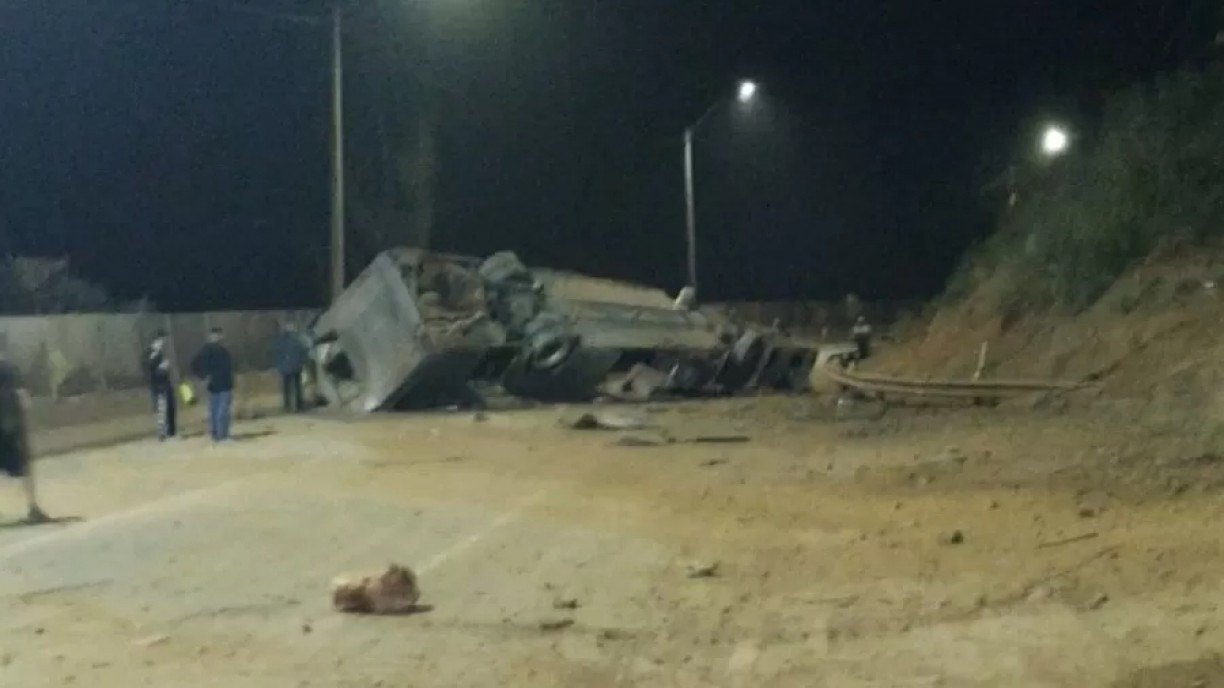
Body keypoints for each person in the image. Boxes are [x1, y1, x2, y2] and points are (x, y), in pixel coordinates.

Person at [0, 355, 49, 523]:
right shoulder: (10, 368)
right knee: (25, 465)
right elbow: (24, 399)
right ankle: (33, 507)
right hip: (11, 425)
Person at [191, 328, 235, 442]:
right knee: (222, 411)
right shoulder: (220, 351)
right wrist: (203, 376)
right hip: (222, 384)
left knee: (215, 411)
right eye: (217, 335)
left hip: (215, 385)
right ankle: (222, 436)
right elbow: (196, 365)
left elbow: (195, 365)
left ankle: (216, 435)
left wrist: (202, 377)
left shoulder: (207, 350)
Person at [144, 331, 177, 440]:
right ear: (156, 340)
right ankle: (162, 434)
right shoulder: (151, 353)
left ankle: (171, 432)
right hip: (158, 386)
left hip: (164, 384)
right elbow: (149, 371)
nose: (163, 343)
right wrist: (161, 368)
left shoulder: (159, 353)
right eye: (162, 340)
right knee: (161, 409)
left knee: (169, 408)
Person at [274, 322, 308, 413]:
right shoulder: (298, 340)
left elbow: (277, 354)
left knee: (287, 387)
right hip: (296, 367)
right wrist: (301, 363)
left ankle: (287, 405)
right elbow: (303, 352)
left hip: (285, 368)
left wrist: (279, 366)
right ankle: (299, 405)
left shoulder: (281, 341)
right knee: (297, 387)